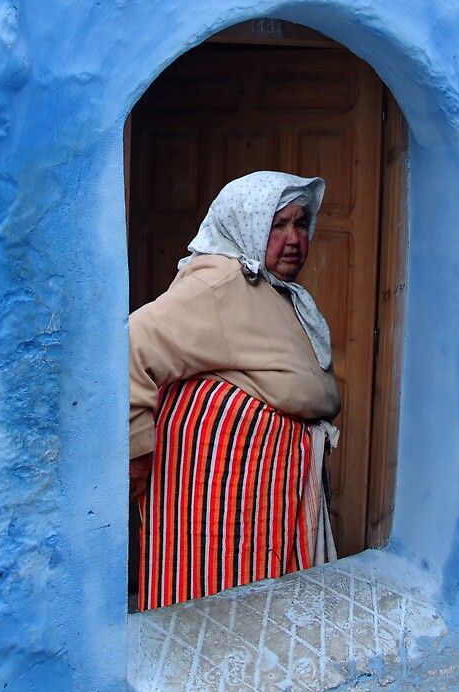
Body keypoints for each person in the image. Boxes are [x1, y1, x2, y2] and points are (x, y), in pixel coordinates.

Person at [129, 171, 341, 610]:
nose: (293, 240)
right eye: (277, 225)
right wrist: (136, 451)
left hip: (260, 496)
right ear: (245, 225)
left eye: (301, 225)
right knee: (219, 609)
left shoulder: (271, 288)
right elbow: (133, 342)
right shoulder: (221, 282)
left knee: (259, 613)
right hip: (224, 500)